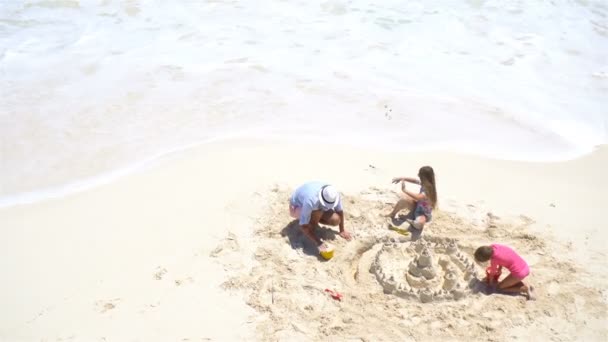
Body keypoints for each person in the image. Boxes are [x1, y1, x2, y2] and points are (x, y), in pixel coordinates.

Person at [289, 182, 352, 252]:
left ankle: (313, 220)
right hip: (296, 206)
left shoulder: (333, 194)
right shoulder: (311, 200)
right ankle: (312, 223)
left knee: (336, 220)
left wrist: (342, 230)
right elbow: (303, 225)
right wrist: (318, 243)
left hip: (316, 206)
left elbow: (339, 211)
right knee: (317, 212)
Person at [387, 166, 437, 230]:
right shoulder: (425, 183)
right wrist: (402, 178)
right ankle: (392, 214)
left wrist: (405, 190)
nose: (418, 175)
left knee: (419, 224)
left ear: (424, 177)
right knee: (403, 200)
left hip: (423, 213)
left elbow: (418, 197)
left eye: (420, 175)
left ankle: (410, 220)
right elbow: (415, 181)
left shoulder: (429, 188)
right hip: (417, 206)